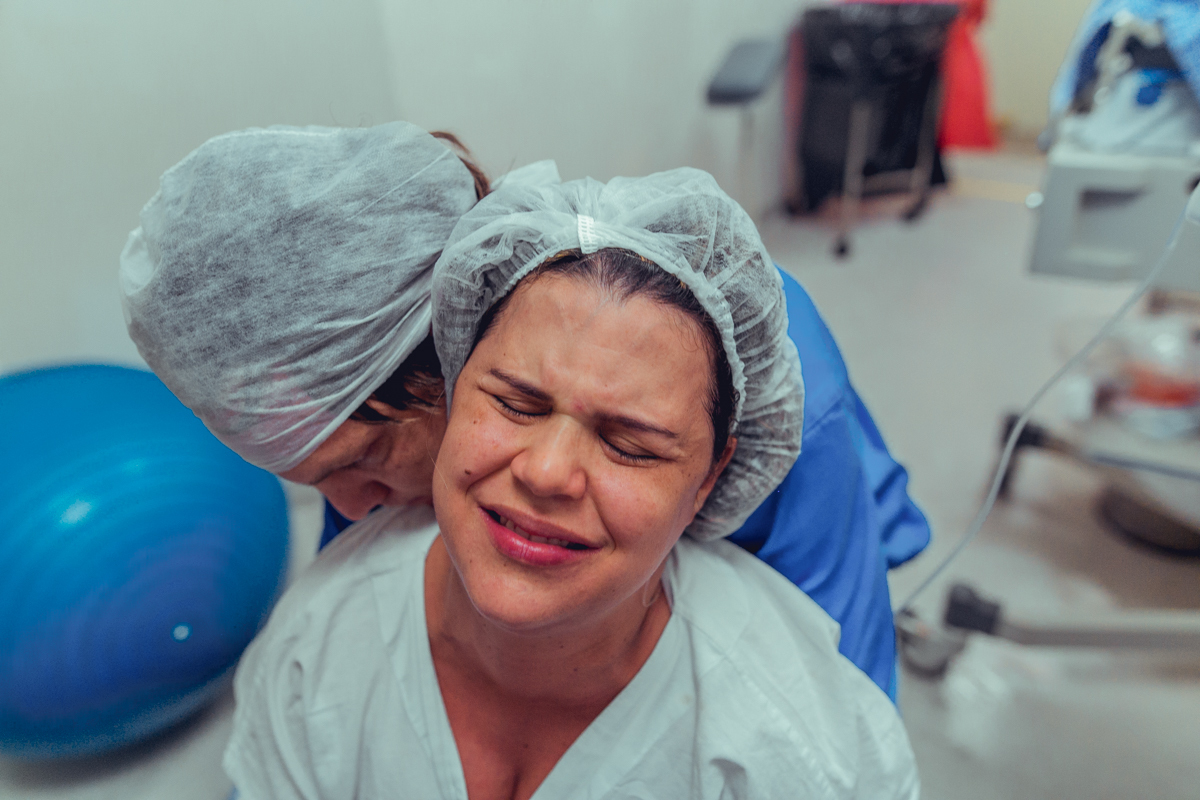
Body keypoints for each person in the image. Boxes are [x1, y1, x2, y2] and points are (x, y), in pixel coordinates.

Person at [120, 122, 929, 701]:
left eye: (359, 466)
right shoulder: (399, 439)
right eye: (315, 482)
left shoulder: (768, 409)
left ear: (458, 364)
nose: (349, 510)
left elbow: (839, 709)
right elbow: (358, 623)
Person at [221, 166, 919, 799]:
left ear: (710, 481)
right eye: (515, 405)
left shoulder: (789, 739)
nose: (547, 473)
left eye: (630, 445)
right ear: (449, 393)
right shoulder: (313, 653)